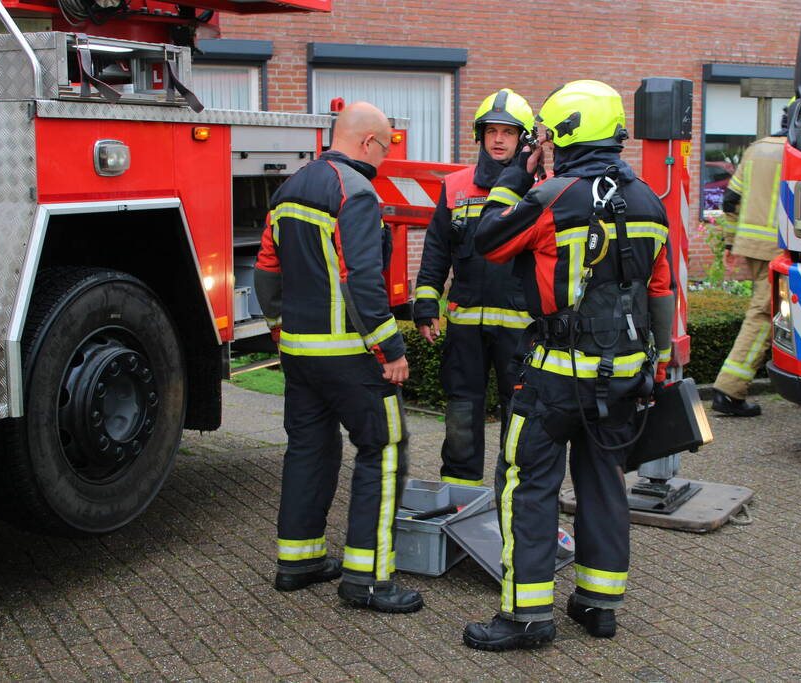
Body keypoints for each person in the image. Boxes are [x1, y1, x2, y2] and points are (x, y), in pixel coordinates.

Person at [461, 80, 675, 650]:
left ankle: (525, 618)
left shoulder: (553, 195)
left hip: (556, 376)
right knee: (604, 482)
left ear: (569, 135)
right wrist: (659, 364)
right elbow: (661, 290)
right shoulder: (652, 201)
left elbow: (488, 241)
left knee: (527, 484)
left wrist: (519, 174)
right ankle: (598, 605)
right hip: (627, 375)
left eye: (550, 136)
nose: (545, 145)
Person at [253, 101, 423, 613]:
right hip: (350, 355)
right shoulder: (358, 192)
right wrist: (390, 349)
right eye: (388, 147)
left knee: (310, 448)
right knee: (384, 448)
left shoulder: (290, 188)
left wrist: (280, 329)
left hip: (300, 353)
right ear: (369, 142)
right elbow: (362, 280)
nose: (387, 159)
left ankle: (299, 562)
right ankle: (368, 580)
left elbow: (266, 269)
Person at [413, 89, 536, 487]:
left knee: (520, 411)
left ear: (524, 139)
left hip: (522, 329)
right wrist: (426, 303)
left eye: (508, 132)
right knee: (462, 409)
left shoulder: (542, 188)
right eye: (491, 131)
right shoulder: (456, 186)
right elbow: (437, 248)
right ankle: (459, 492)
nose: (498, 139)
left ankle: (516, 495)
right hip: (464, 324)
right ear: (480, 136)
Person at [710, 124, 786, 417]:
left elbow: (731, 199)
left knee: (767, 312)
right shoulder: (799, 151)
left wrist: (730, 241)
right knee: (764, 315)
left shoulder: (756, 149)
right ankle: (729, 390)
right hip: (781, 249)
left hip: (752, 244)